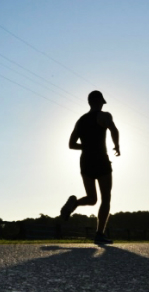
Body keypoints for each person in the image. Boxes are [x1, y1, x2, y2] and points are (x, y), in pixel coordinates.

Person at [59, 90, 120, 244]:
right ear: (99, 101)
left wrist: (86, 146)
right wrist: (117, 146)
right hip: (101, 159)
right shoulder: (104, 116)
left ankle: (75, 203)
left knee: (92, 198)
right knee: (105, 198)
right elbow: (114, 130)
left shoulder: (81, 120)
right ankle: (99, 234)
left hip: (85, 161)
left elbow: (71, 145)